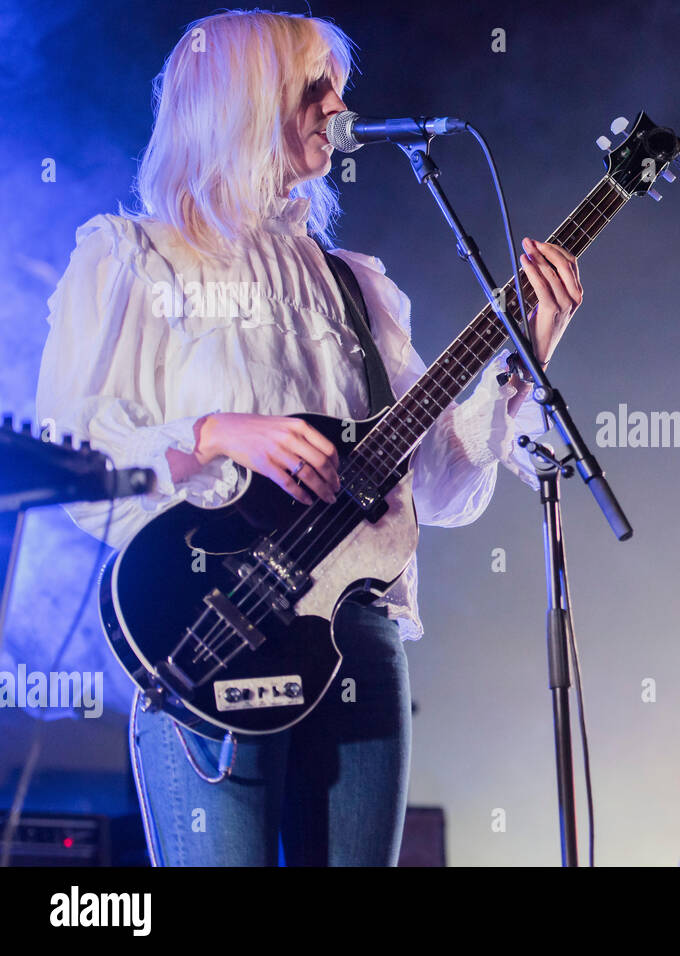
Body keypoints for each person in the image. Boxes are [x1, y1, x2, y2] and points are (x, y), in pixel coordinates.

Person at [34, 10, 582, 866]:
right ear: (244, 101)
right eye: (315, 86)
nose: (339, 104)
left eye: (339, 86)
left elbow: (433, 487)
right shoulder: (132, 260)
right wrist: (216, 433)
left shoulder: (350, 284)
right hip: (208, 621)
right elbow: (69, 459)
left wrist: (523, 361)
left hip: (352, 633)